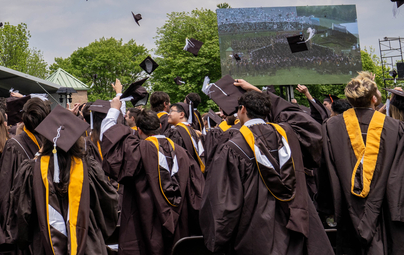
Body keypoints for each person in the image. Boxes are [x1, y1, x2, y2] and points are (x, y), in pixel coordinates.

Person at [199, 88, 332, 254]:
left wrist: (216, 239)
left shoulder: (233, 146)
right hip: (296, 226)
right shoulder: (288, 135)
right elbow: (310, 126)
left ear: (243, 109)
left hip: (255, 235)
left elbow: (223, 202)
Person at [101, 80, 203, 255]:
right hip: (179, 227)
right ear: (160, 126)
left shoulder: (137, 151)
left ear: (139, 130)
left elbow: (108, 137)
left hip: (143, 223)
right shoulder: (182, 153)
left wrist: (115, 108)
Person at [6, 106, 119, 255]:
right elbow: (109, 202)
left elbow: (22, 211)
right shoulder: (88, 167)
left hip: (42, 243)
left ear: (45, 140)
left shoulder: (31, 169)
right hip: (87, 243)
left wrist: (24, 239)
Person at [318, 71, 404, 254]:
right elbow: (399, 173)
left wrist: (327, 207)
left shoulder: (331, 126)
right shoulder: (395, 127)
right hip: (385, 208)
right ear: (374, 99)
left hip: (347, 207)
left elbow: (325, 169)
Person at [0, 97, 50, 223]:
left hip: (25, 217)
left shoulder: (13, 145)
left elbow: (4, 188)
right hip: (51, 216)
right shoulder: (55, 144)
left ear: (23, 119)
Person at [164, 103, 205, 173]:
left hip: (181, 175)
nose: (168, 114)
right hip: (195, 174)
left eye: (171, 111)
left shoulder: (175, 132)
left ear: (181, 114)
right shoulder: (194, 132)